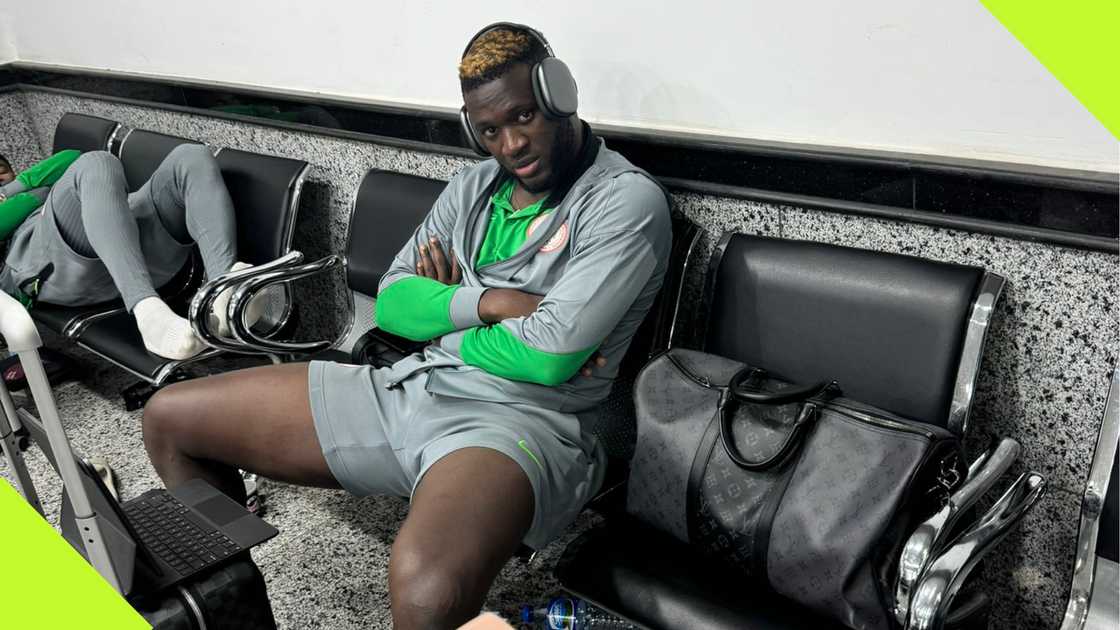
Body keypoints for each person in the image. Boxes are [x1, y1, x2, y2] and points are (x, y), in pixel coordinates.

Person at [141, 22, 671, 629]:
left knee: (426, 592)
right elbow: (391, 303)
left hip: (520, 420)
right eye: (491, 130)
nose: (512, 145)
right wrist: (490, 304)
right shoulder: (474, 186)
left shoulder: (622, 201)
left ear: (560, 95)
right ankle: (237, 617)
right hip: (409, 383)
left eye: (524, 117)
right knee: (171, 418)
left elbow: (546, 360)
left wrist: (441, 312)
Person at [0, 145, 260, 359]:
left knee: (191, 156)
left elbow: (69, 157)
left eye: (3, 171)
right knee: (97, 163)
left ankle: (225, 293)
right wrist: (27, 195)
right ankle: (149, 316)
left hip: (124, 244)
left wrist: (8, 193)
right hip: (49, 268)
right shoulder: (36, 201)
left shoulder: (16, 191)